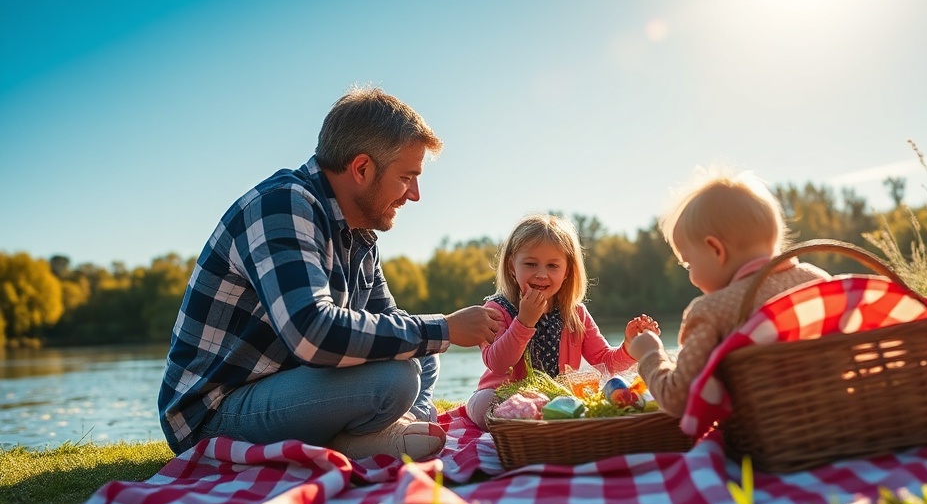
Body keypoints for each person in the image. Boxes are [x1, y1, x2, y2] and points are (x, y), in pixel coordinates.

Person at [158, 86, 502, 461]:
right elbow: (313, 334)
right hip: (215, 412)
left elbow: (390, 322)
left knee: (421, 355)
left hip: (291, 388)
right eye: (406, 177)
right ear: (362, 169)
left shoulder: (360, 236)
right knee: (397, 376)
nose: (414, 194)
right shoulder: (282, 206)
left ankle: (391, 430)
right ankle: (368, 437)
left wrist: (432, 335)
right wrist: (446, 328)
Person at [627, 170, 831, 420]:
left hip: (768, 435)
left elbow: (679, 398)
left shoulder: (712, 310)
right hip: (838, 420)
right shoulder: (817, 280)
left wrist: (650, 355)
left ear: (716, 249)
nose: (691, 276)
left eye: (689, 264)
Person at [465, 213, 660, 429]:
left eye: (552, 266)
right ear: (512, 266)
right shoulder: (496, 310)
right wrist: (524, 322)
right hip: (503, 397)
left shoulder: (575, 313)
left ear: (567, 271)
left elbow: (604, 362)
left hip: (555, 398)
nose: (541, 274)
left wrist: (629, 346)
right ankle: (522, 424)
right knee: (484, 404)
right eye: (530, 264)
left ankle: (546, 422)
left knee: (614, 386)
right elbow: (499, 364)